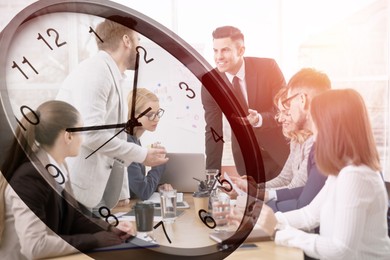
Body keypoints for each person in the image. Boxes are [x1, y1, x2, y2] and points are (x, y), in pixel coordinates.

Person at [257, 89, 390, 259]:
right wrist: (265, 220)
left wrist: (278, 230)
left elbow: (340, 250)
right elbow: (310, 215)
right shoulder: (341, 171)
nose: (313, 133)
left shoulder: (355, 176)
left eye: (315, 123)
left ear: (331, 128)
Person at [56, 18, 168, 212]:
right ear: (127, 40)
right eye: (138, 40)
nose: (141, 48)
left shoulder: (110, 74)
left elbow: (114, 139)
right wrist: (143, 155)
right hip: (74, 191)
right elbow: (90, 134)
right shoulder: (96, 71)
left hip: (91, 194)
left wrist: (122, 192)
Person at [0, 100, 135, 260]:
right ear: (68, 136)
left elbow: (74, 217)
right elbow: (35, 246)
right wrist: (94, 240)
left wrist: (110, 228)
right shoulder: (29, 178)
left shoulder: (59, 165)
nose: (83, 140)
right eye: (82, 132)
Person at [230, 68, 330, 213]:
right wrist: (253, 191)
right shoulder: (302, 141)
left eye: (286, 111)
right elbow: (286, 181)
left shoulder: (320, 145)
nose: (280, 118)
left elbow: (300, 196)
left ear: (302, 101)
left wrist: (255, 202)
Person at [201, 25, 289, 179]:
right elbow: (214, 131)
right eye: (215, 50)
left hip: (281, 152)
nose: (218, 57)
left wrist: (260, 119)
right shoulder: (211, 83)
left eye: (225, 50)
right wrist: (212, 176)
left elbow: (284, 109)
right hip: (247, 160)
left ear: (241, 50)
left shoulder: (268, 68)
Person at [125, 88, 173, 200]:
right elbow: (143, 192)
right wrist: (158, 163)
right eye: (150, 114)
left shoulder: (135, 139)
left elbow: (135, 186)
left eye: (158, 113)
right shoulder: (127, 142)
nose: (156, 119)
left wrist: (157, 187)